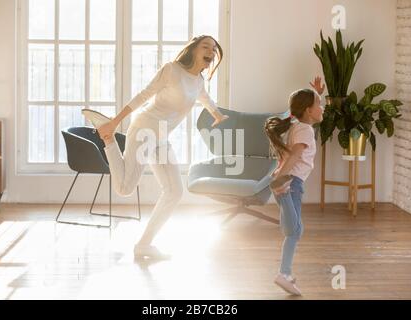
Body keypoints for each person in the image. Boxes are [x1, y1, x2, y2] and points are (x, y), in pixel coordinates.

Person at [82, 35, 229, 259]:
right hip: (145, 127)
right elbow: (143, 96)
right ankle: (108, 138)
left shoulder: (198, 81)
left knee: (175, 191)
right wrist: (114, 121)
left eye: (213, 48)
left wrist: (217, 115)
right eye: (205, 46)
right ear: (193, 50)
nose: (211, 51)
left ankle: (144, 245)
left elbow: (205, 99)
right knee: (124, 189)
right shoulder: (172, 70)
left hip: (161, 136)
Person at [264, 77, 325, 295]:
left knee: (293, 231)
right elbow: (294, 154)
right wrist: (281, 176)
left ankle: (286, 273)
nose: (322, 108)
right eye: (319, 104)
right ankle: (284, 273)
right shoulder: (305, 130)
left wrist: (316, 93)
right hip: (291, 183)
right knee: (295, 231)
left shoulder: (297, 124)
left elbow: (291, 154)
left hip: (288, 182)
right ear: (308, 110)